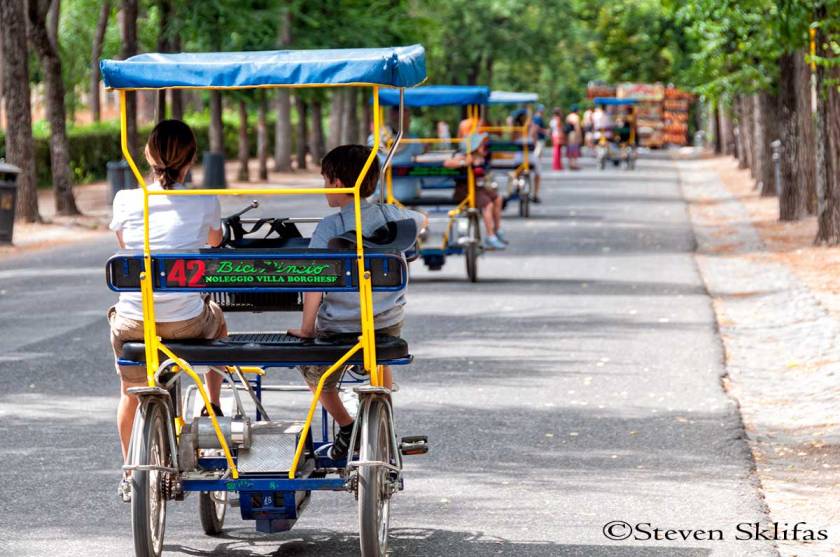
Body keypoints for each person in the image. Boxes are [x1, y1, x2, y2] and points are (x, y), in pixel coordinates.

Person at [108, 119, 227, 501]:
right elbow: (215, 240)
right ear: (191, 159)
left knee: (130, 391)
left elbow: (125, 242)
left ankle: (130, 470)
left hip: (133, 323)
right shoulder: (204, 199)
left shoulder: (126, 200)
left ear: (146, 154)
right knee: (218, 320)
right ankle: (213, 402)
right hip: (185, 322)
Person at [287, 144, 426, 461]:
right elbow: (423, 220)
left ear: (338, 183)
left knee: (314, 372)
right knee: (379, 352)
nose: (324, 188)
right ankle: (385, 414)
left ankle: (347, 426)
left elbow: (314, 283)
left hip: (340, 328)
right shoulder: (392, 215)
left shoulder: (330, 227)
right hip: (386, 323)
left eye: (325, 180)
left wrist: (307, 329)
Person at [444, 133, 507, 249]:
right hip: (465, 191)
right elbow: (447, 163)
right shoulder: (465, 156)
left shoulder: (482, 157)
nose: (485, 147)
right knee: (488, 204)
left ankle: (497, 229)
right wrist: (464, 163)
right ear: (475, 147)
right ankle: (490, 236)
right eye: (482, 145)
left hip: (478, 189)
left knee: (498, 198)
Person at [529, 105, 548, 202]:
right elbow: (536, 129)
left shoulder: (517, 132)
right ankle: (535, 194)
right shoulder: (537, 118)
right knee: (537, 168)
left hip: (519, 157)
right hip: (529, 153)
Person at [565, 106, 583, 171]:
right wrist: (580, 137)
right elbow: (577, 127)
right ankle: (574, 164)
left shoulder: (568, 116)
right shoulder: (576, 117)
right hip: (574, 134)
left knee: (570, 149)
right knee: (575, 149)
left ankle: (570, 164)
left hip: (568, 135)